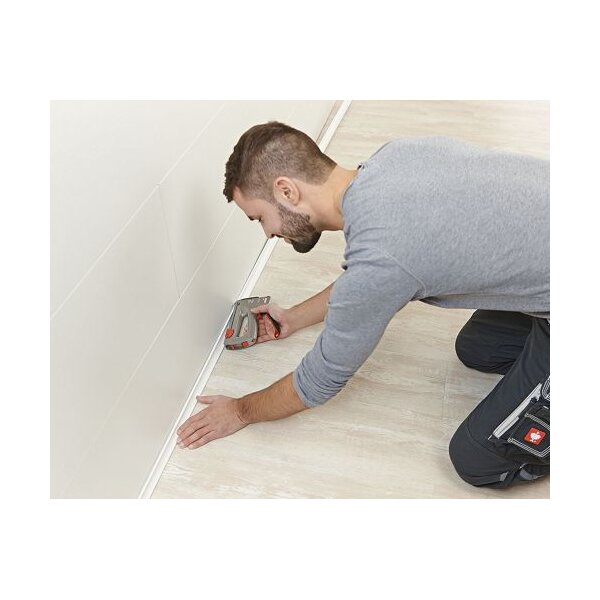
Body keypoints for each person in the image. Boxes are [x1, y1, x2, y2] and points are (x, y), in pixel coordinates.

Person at [176, 121, 550, 489]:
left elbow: (317, 382)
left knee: (476, 460)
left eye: (260, 217)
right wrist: (293, 318)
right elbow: (370, 277)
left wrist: (240, 410)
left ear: (286, 191)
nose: (268, 233)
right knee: (479, 348)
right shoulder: (394, 157)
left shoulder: (384, 255)